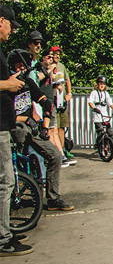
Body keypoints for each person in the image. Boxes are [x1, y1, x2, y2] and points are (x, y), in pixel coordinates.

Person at [7, 50, 74, 212]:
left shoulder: (28, 83)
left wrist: (45, 124)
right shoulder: (7, 86)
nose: (21, 69)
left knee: (55, 155)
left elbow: (46, 103)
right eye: (18, 65)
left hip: (32, 127)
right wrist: (24, 119)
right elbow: (6, 115)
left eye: (24, 66)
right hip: (13, 128)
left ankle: (53, 198)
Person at [0, 5, 32, 256]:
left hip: (4, 124)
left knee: (7, 180)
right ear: (2, 21)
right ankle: (3, 238)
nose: (12, 31)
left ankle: (5, 229)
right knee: (6, 181)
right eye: (11, 25)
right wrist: (8, 84)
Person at [88, 75, 113, 144]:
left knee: (110, 132)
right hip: (97, 116)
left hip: (105, 116)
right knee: (100, 132)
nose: (102, 85)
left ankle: (110, 148)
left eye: (103, 84)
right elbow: (90, 102)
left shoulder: (106, 94)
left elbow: (110, 103)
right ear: (97, 84)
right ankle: (99, 145)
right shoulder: (94, 93)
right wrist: (94, 108)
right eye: (100, 84)